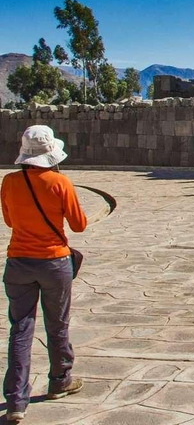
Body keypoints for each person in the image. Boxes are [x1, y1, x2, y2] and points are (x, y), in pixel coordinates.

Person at [1, 125, 88, 422]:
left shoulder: (8, 182)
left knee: (20, 329)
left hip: (18, 262)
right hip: (53, 262)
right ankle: (60, 379)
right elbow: (78, 225)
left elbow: (11, 220)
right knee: (57, 324)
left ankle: (15, 400)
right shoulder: (60, 182)